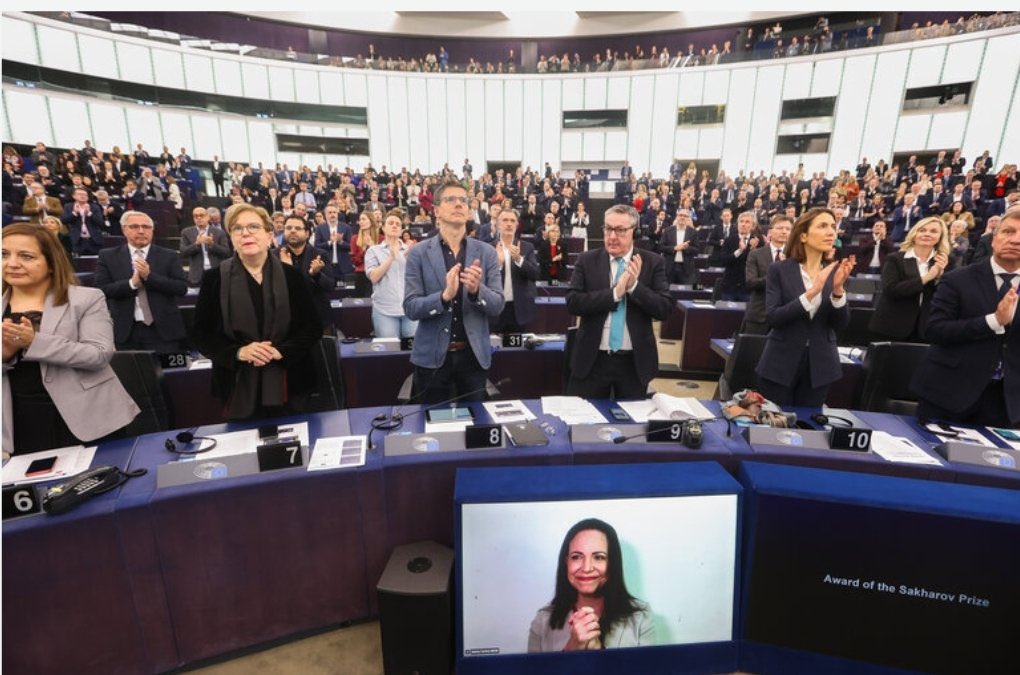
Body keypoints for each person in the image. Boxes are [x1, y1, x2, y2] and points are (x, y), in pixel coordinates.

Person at [2, 223, 139, 453]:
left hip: (89, 417)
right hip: (21, 421)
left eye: (26, 256)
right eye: (4, 254)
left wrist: (34, 343)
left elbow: (99, 354)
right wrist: (4, 357)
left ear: (52, 264)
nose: (12, 263)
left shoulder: (86, 299)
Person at [191, 203, 322, 420]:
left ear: (269, 235)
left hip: (291, 382)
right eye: (237, 228)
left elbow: (312, 326)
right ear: (231, 237)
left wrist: (281, 351)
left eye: (253, 226)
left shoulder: (293, 276)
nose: (246, 233)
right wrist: (239, 352)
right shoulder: (214, 278)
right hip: (236, 383)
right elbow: (201, 334)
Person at [912, 210, 1020, 428]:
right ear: (993, 238)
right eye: (1008, 231)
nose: (1016, 239)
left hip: (1007, 403)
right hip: (948, 394)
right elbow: (935, 330)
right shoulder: (958, 279)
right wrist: (993, 321)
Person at [403, 180, 504, 404]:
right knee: (433, 428)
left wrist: (477, 291)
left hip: (473, 358)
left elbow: (497, 304)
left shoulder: (486, 253)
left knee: (475, 429)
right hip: (431, 359)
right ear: (437, 211)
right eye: (451, 199)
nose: (458, 204)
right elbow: (410, 307)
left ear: (469, 211)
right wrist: (443, 297)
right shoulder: (418, 253)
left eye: (463, 201)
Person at [566, 205, 673, 400]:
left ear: (635, 232)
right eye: (608, 228)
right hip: (592, 359)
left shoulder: (653, 262)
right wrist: (615, 293)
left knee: (632, 427)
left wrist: (634, 288)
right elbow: (573, 302)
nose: (612, 236)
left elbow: (663, 309)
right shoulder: (586, 259)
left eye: (620, 230)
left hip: (634, 362)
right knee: (584, 424)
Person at [755, 208, 855, 406]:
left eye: (833, 227)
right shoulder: (779, 270)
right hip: (780, 364)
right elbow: (774, 317)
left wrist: (837, 290)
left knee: (809, 428)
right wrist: (811, 293)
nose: (831, 232)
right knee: (774, 427)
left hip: (821, 366)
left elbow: (841, 324)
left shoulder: (836, 271)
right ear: (803, 235)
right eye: (822, 226)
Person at [528, 518, 654, 652]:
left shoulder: (641, 617)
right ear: (566, 562)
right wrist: (571, 649)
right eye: (576, 557)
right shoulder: (542, 621)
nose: (587, 568)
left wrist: (599, 650)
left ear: (612, 563)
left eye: (599, 557)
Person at [95, 211, 189, 353]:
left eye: (146, 227)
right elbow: (101, 290)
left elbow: (181, 288)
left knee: (170, 373)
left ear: (152, 230)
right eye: (134, 226)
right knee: (131, 375)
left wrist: (149, 277)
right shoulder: (107, 256)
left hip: (164, 331)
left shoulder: (169, 255)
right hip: (126, 332)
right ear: (124, 230)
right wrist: (131, 283)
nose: (141, 231)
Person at [868, 217, 950, 342]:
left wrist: (939, 278)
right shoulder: (895, 258)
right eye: (922, 230)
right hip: (891, 327)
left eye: (933, 231)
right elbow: (891, 290)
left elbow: (947, 298)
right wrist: (927, 277)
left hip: (926, 330)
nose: (927, 234)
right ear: (914, 234)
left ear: (940, 237)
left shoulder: (945, 262)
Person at [276, 214, 335, 334]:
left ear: (307, 233)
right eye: (288, 228)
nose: (292, 231)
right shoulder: (273, 256)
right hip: (286, 321)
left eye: (297, 228)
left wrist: (316, 274)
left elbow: (330, 286)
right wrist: (287, 269)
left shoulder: (320, 255)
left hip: (318, 318)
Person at [365, 209, 417, 338]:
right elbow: (374, 277)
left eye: (398, 224)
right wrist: (391, 257)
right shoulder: (373, 251)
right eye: (391, 223)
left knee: (411, 353)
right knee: (390, 353)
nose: (394, 226)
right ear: (383, 227)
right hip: (384, 311)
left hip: (409, 310)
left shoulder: (411, 251)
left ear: (401, 230)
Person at [490, 208, 539, 334]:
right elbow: (482, 280)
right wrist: (499, 264)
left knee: (515, 351)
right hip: (495, 311)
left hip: (519, 310)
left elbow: (534, 274)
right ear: (498, 224)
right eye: (505, 220)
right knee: (495, 351)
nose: (509, 224)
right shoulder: (488, 248)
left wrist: (519, 260)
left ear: (517, 225)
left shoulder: (527, 247)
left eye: (512, 221)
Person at [743, 214, 793, 335]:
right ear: (770, 231)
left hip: (786, 317)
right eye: (780, 228)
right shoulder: (756, 254)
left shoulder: (795, 256)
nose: (784, 232)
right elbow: (751, 282)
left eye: (788, 229)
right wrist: (777, 273)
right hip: (759, 315)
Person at [711, 211, 760, 302]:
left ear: (753, 226)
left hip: (747, 288)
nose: (743, 224)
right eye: (741, 221)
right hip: (730, 286)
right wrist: (739, 251)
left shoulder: (758, 242)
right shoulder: (729, 240)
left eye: (747, 222)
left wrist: (752, 250)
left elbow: (759, 265)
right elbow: (723, 261)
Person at [179, 205, 231, 286]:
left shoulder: (219, 232)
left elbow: (227, 252)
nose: (199, 218)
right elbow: (183, 253)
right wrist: (196, 244)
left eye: (201, 215)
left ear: (208, 217)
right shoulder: (186, 232)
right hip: (197, 275)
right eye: (196, 216)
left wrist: (212, 245)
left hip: (216, 273)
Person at [656, 210, 700, 285]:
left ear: (688, 218)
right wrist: (674, 248)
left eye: (685, 216)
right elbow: (660, 247)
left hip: (686, 269)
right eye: (680, 215)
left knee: (684, 294)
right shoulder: (668, 230)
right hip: (669, 268)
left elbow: (697, 250)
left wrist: (687, 248)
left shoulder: (693, 232)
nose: (682, 217)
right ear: (677, 217)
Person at [351, 211, 381, 298]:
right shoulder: (355, 239)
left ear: (371, 221)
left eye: (363, 219)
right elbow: (355, 261)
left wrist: (372, 247)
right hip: (361, 275)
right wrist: (364, 250)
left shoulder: (380, 238)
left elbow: (382, 259)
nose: (361, 222)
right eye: (360, 220)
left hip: (377, 274)